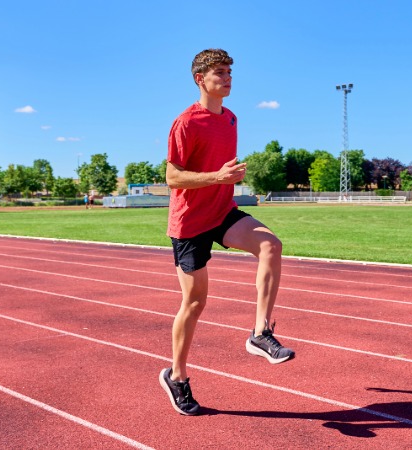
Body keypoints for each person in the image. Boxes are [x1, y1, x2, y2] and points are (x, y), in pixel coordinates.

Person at [159, 48, 295, 416]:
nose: (228, 77)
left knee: (270, 244)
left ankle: (260, 333)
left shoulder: (231, 119)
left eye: (230, 71)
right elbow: (172, 177)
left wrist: (227, 182)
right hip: (189, 223)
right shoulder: (186, 122)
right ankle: (177, 376)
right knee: (195, 303)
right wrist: (217, 177)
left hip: (221, 211)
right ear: (200, 79)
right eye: (220, 72)